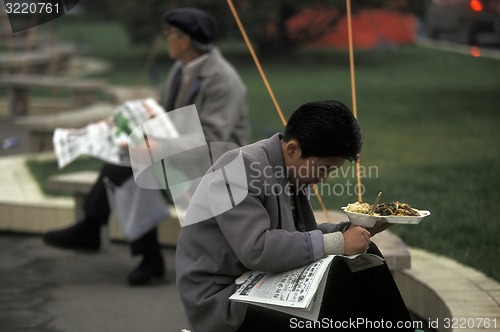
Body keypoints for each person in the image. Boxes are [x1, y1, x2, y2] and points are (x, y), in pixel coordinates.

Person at [43, 8, 249, 286]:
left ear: (185, 40)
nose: (166, 39)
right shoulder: (181, 68)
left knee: (133, 167)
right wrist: (125, 125)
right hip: (183, 155)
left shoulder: (223, 80)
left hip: (216, 163)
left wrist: (157, 145)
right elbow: (164, 114)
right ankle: (130, 249)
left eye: (169, 34)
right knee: (129, 161)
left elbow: (214, 138)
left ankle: (103, 233)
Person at [175, 100, 414, 331]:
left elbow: (297, 237)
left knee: (366, 254)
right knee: (336, 292)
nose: (324, 178)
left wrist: (353, 230)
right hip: (224, 300)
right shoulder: (238, 168)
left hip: (261, 280)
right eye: (324, 168)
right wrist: (339, 242)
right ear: (292, 149)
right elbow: (257, 249)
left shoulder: (292, 171)